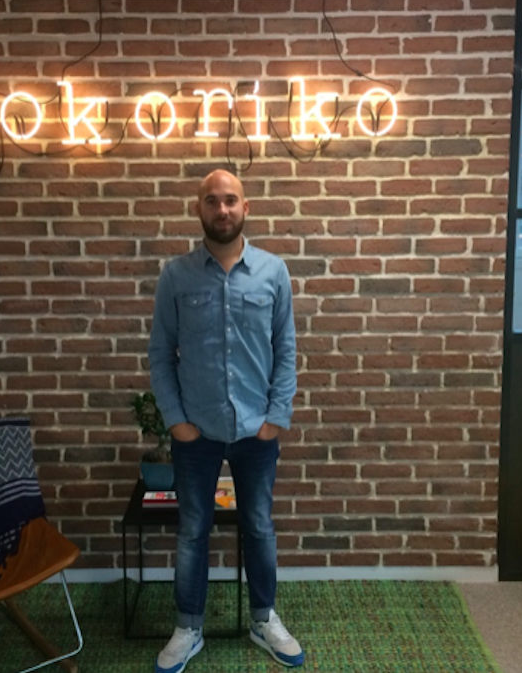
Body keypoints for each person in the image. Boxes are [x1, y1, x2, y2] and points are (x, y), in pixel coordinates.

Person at [148, 169, 303, 672]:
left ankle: (264, 619)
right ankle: (188, 627)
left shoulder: (273, 272)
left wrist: (276, 417)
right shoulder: (176, 276)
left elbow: (286, 350)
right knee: (194, 530)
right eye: (212, 201)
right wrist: (175, 420)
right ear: (199, 208)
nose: (222, 209)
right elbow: (159, 354)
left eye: (231, 200)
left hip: (257, 429)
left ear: (245, 207)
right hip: (196, 431)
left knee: (258, 526)